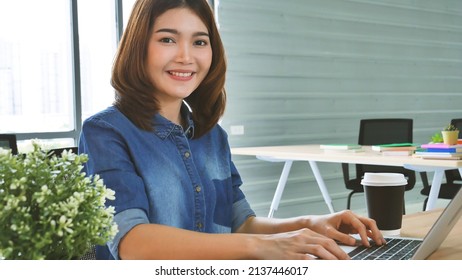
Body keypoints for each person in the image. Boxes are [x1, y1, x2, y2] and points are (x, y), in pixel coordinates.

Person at [79, 0, 385, 260]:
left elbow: (240, 223)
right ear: (138, 47)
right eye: (167, 39)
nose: (186, 56)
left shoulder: (212, 135)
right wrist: (261, 246)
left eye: (199, 41)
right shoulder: (105, 132)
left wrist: (310, 223)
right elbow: (133, 243)